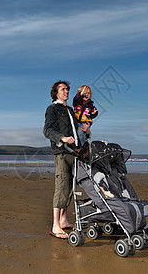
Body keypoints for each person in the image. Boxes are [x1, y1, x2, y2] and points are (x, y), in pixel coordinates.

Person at [43, 80, 89, 239]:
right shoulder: (52, 109)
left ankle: (63, 220)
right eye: (63, 89)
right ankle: (55, 225)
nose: (66, 91)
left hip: (75, 152)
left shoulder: (70, 110)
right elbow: (47, 130)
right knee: (62, 185)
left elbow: (78, 131)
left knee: (70, 187)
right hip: (62, 152)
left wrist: (86, 130)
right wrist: (62, 137)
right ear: (56, 92)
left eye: (68, 89)